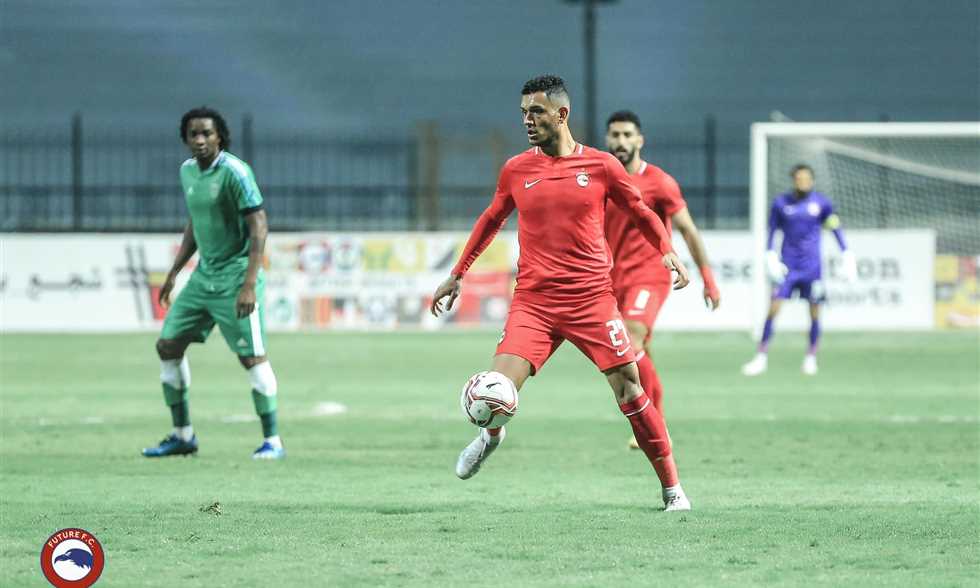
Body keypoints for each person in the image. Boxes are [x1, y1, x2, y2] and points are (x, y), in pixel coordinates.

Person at [430, 75, 692, 511]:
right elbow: (491, 219)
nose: (527, 120)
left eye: (536, 111)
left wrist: (667, 251)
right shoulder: (517, 169)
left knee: (630, 391)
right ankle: (490, 435)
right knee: (496, 387)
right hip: (534, 304)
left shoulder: (601, 166)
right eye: (523, 113)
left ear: (561, 114)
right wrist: (458, 273)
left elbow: (640, 211)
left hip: (591, 301)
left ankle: (672, 489)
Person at [142, 106, 284, 460]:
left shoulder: (236, 172)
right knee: (168, 345)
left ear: (220, 136)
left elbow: (259, 224)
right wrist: (174, 272)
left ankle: (273, 441)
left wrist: (249, 284)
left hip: (237, 276)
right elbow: (196, 221)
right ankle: (183, 436)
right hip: (204, 277)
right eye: (194, 134)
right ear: (185, 139)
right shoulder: (187, 172)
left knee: (252, 358)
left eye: (207, 133)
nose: (200, 139)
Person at [604, 110, 720, 449]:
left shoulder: (659, 182)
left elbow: (687, 229)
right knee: (636, 351)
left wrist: (708, 278)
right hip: (610, 279)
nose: (621, 141)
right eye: (615, 135)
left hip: (649, 274)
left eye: (627, 135)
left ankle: (655, 426)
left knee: (631, 340)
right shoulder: (600, 179)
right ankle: (656, 419)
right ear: (607, 139)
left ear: (640, 140)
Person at [742, 164, 856, 376]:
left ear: (812, 181)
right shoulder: (781, 204)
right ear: (794, 180)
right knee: (773, 308)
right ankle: (761, 357)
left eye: (806, 179)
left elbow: (835, 228)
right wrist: (770, 255)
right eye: (799, 178)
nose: (803, 182)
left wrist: (846, 253)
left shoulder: (822, 204)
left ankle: (811, 357)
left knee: (814, 313)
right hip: (787, 267)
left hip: (813, 268)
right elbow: (772, 231)